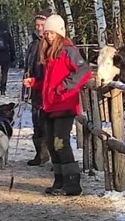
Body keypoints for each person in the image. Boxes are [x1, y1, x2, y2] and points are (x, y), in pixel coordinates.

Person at [23, 14, 91, 196]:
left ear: (59, 32)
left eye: (52, 33)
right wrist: (35, 83)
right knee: (52, 145)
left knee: (61, 143)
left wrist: (63, 87)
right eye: (47, 33)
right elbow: (48, 81)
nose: (48, 36)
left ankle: (72, 183)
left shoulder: (69, 50)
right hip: (49, 105)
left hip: (64, 104)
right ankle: (59, 180)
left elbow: (84, 71)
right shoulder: (49, 52)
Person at [24, 9, 51, 166]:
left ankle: (50, 154)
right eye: (37, 25)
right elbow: (29, 66)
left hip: (46, 88)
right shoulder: (33, 43)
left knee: (47, 123)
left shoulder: (51, 45)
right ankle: (40, 154)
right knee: (37, 122)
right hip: (35, 88)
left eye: (42, 25)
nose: (39, 28)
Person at [0, 20, 15, 95]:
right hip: (6, 56)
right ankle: (3, 88)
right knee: (4, 73)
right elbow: (12, 46)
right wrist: (13, 56)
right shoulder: (7, 34)